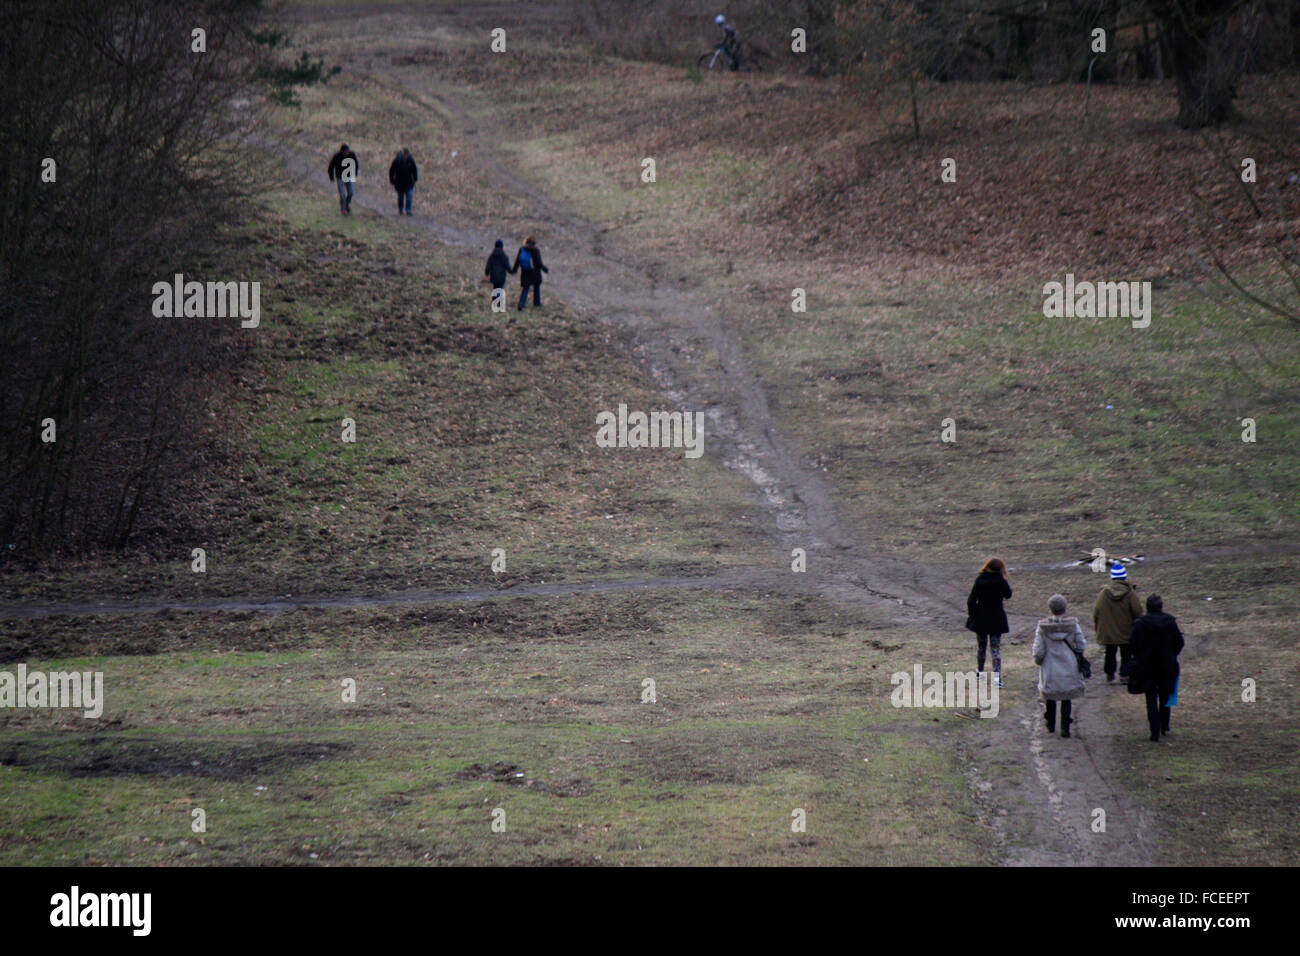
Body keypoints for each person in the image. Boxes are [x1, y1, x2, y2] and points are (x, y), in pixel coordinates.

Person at [1128, 594, 1184, 742]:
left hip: (1146, 666)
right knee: (1165, 695)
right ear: (1161, 606)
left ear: (1147, 607)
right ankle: (1165, 725)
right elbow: (1179, 642)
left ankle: (1154, 730)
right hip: (1167, 664)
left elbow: (1132, 643)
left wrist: (1138, 657)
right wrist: (1172, 654)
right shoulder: (1170, 622)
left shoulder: (1140, 623)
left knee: (1150, 697)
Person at [1033, 594, 1087, 737]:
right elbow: (1081, 644)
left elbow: (1038, 650)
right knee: (1066, 697)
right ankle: (1065, 727)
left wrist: (1038, 661)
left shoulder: (1042, 627)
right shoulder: (1073, 625)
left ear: (1050, 608)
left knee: (1050, 696)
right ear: (1065, 607)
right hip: (1069, 665)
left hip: (1049, 667)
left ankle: (1050, 723)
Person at [966, 557, 1011, 688]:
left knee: (981, 647)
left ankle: (980, 673)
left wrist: (972, 614)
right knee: (995, 649)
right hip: (997, 618)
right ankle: (998, 680)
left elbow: (971, 600)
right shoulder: (1001, 581)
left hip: (981, 619)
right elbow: (1008, 595)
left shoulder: (980, 580)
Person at [1093, 562, 1142, 683]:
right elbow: (1137, 612)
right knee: (1126, 654)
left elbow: (1096, 612)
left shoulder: (1104, 593)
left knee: (1110, 652)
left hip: (1109, 632)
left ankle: (1110, 674)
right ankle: (1124, 675)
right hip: (1127, 631)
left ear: (1112, 577)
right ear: (1124, 576)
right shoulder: (1130, 593)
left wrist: (1098, 628)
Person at [512, 235, 549, 310]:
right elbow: (539, 263)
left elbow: (517, 260)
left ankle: (521, 304)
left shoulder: (522, 249)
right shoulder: (535, 249)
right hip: (534, 272)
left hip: (525, 272)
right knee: (536, 287)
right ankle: (536, 303)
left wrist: (514, 270)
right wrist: (545, 269)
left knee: (525, 288)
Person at [328, 143, 359, 215]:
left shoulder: (352, 155)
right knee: (342, 195)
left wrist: (355, 173)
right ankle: (343, 210)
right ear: (342, 151)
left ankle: (347, 204)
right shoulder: (336, 156)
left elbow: (356, 164)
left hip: (349, 176)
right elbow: (331, 167)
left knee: (351, 193)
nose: (347, 153)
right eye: (345, 152)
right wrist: (331, 177)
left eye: (348, 151)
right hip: (340, 178)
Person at [388, 148, 418, 216]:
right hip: (399, 183)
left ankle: (408, 210)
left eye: (407, 155)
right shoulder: (397, 161)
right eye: (405, 155)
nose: (406, 156)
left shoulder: (411, 160)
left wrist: (415, 178)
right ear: (403, 154)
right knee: (400, 197)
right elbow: (391, 170)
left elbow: (414, 169)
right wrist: (392, 180)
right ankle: (400, 209)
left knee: (409, 196)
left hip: (409, 182)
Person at [484, 239, 513, 305]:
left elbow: (488, 265)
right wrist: (512, 272)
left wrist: (487, 272)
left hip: (493, 276)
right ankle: (499, 305)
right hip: (501, 276)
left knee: (495, 288)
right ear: (502, 246)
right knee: (500, 289)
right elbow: (507, 267)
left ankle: (495, 303)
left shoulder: (492, 255)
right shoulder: (504, 256)